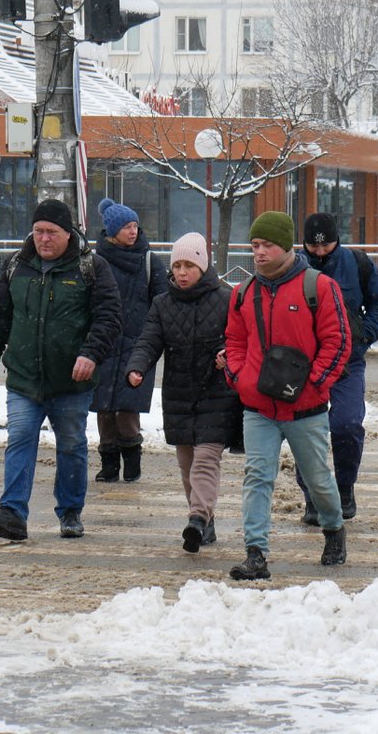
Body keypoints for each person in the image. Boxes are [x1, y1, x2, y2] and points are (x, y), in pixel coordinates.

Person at [0, 199, 122, 541]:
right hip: (25, 377)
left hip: (71, 380)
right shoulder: (16, 265)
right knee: (20, 439)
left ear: (68, 233)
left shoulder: (91, 267)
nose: (44, 239)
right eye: (38, 231)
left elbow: (109, 317)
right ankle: (12, 513)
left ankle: (70, 511)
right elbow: (0, 315)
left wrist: (91, 354)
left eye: (51, 232)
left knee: (71, 445)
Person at [223, 211, 351, 580]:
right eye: (255, 245)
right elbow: (233, 340)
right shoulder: (243, 293)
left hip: (306, 408)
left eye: (267, 245)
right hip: (258, 406)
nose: (259, 252)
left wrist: (313, 385)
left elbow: (338, 340)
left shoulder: (320, 287)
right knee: (257, 476)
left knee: (318, 479)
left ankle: (333, 528)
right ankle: (256, 553)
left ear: (286, 247)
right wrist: (240, 378)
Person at [124, 232, 239, 553]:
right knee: (187, 463)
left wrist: (229, 352)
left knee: (205, 459)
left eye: (189, 265)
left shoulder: (226, 299)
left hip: (217, 395)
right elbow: (149, 340)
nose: (182, 272)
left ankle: (197, 519)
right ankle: (205, 520)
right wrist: (137, 367)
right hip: (179, 395)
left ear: (203, 265)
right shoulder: (163, 304)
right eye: (177, 265)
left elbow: (241, 338)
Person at [294, 212, 378, 524]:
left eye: (326, 246)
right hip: (304, 365)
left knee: (347, 424)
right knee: (306, 432)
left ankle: (345, 486)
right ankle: (312, 496)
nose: (320, 252)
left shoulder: (358, 263)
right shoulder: (292, 265)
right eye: (313, 246)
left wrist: (366, 333)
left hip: (348, 361)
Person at [91, 198, 169, 484]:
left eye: (135, 225)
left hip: (139, 346)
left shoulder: (149, 261)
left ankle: (132, 461)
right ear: (112, 231)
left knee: (127, 409)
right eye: (126, 226)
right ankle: (108, 465)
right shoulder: (96, 262)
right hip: (104, 344)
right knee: (104, 409)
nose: (133, 231)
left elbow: (164, 301)